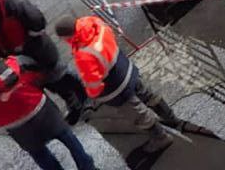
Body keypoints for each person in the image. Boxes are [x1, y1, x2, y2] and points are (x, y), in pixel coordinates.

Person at [54, 15, 177, 153]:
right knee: (147, 94)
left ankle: (161, 138)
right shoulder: (95, 23)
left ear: (68, 37)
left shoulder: (83, 55)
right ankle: (170, 117)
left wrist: (93, 95)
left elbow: (93, 85)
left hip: (117, 87)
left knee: (138, 113)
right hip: (126, 68)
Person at [0, 43, 97, 170]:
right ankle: (87, 166)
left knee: (39, 153)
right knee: (66, 135)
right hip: (42, 111)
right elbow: (42, 77)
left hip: (19, 129)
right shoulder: (18, 64)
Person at [0, 0, 84, 114]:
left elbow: (37, 22)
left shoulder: (14, 5)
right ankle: (74, 101)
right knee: (43, 80)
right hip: (16, 55)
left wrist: (26, 44)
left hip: (37, 50)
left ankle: (80, 97)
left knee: (57, 76)